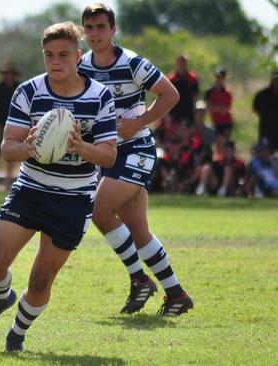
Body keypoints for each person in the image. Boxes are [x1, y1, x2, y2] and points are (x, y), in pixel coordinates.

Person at [0, 22, 117, 352]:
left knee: (39, 280)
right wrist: (30, 146)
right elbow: (7, 148)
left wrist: (80, 147)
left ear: (78, 56)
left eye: (63, 55)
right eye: (49, 55)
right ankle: (2, 297)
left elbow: (108, 156)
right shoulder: (29, 91)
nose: (55, 61)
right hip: (30, 190)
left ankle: (18, 333)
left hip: (73, 200)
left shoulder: (99, 96)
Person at [79, 3, 193, 316]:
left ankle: (139, 279)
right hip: (107, 155)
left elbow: (170, 94)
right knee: (139, 232)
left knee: (100, 211)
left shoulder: (132, 63)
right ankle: (176, 294)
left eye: (100, 26)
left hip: (136, 151)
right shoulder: (82, 67)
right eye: (88, 28)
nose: (94, 33)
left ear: (113, 29)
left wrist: (137, 122)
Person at [0, 61, 20, 191]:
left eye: (9, 73)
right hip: (0, 125)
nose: (7, 75)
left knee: (12, 154)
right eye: (5, 73)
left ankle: (7, 184)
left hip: (16, 126)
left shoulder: (19, 87)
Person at [204, 68, 233, 151]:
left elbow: (225, 110)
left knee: (225, 144)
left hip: (226, 122)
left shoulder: (227, 93)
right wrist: (218, 107)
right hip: (215, 122)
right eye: (217, 77)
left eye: (220, 78)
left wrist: (214, 107)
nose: (218, 80)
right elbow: (208, 108)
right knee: (218, 145)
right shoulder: (209, 92)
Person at [167, 54, 199, 127]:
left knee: (188, 130)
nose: (182, 64)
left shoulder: (192, 78)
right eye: (180, 62)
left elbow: (195, 94)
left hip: (188, 109)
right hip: (175, 109)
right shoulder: (172, 78)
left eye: (183, 62)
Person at [253, 71, 278, 151]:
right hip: (266, 131)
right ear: (271, 80)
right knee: (265, 153)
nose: (276, 81)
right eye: (275, 79)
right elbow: (256, 109)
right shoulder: (262, 95)